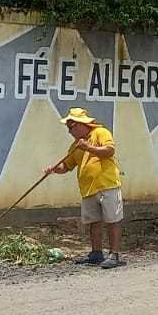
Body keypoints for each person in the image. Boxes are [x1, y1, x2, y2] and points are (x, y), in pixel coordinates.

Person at [42, 107, 126, 269]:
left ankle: (114, 254)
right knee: (93, 221)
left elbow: (109, 151)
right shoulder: (76, 145)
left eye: (71, 127)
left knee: (112, 220)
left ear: (81, 124)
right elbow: (67, 166)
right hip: (88, 189)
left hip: (107, 184)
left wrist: (88, 147)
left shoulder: (101, 133)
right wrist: (54, 169)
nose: (69, 131)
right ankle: (96, 253)